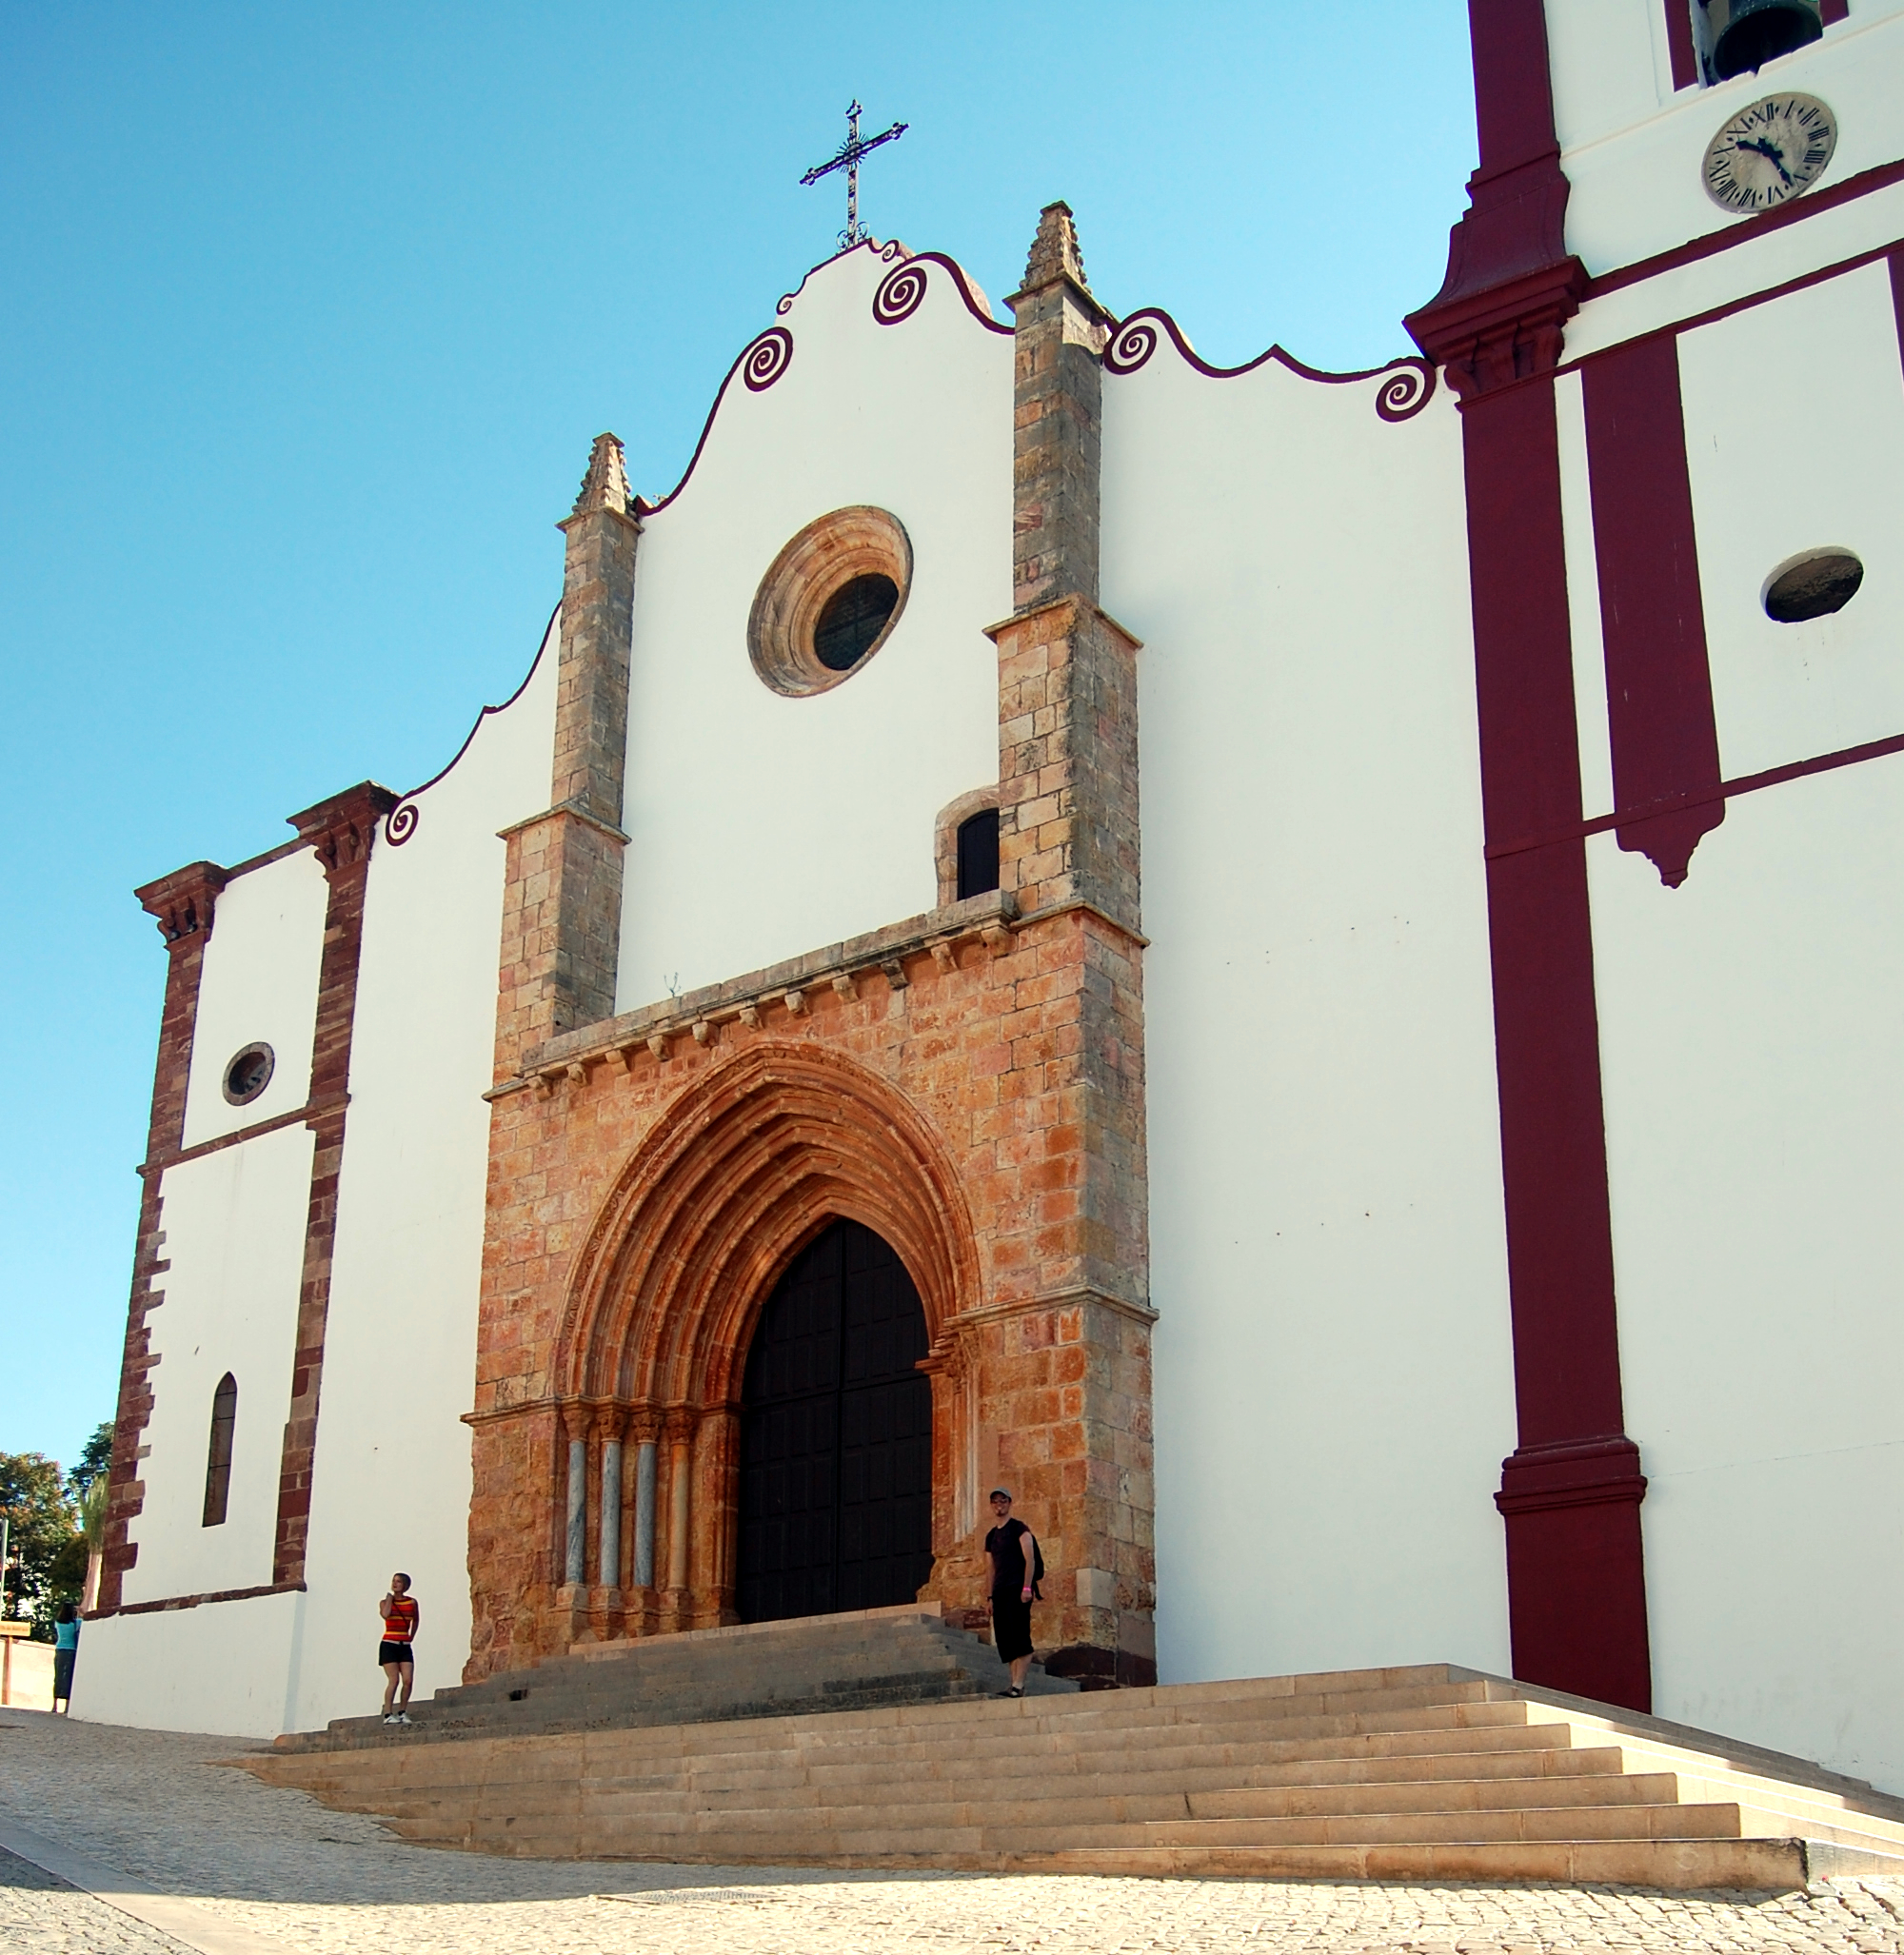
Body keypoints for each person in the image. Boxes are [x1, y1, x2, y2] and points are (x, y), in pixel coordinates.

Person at [982, 1488, 1041, 1699]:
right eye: (995, 1501)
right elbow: (989, 1568)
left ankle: (1018, 1684)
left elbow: (1030, 1559)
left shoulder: (1019, 1529)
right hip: (1000, 1591)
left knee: (1020, 1636)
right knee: (1006, 1640)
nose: (999, 1505)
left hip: (1017, 1589)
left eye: (1003, 1501)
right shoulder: (991, 1536)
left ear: (1009, 1503)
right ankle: (1014, 1684)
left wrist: (1027, 1587)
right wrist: (989, 1596)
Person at [378, 1572, 419, 1725]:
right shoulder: (384, 1602)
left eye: (399, 1582)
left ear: (405, 1585)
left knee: (408, 1680)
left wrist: (411, 1636)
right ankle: (388, 1713)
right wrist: (390, 1599)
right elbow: (385, 1614)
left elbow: (416, 1620)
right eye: (394, 1581)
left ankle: (402, 1711)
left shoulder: (412, 1602)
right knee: (393, 1680)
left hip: (404, 1644)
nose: (395, 1584)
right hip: (389, 1643)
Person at [51, 1603, 79, 1714]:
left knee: (57, 1677)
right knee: (69, 1678)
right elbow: (85, 1618)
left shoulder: (57, 1623)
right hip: (71, 1650)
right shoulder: (75, 1623)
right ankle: (67, 1706)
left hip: (59, 1649)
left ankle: (54, 1705)